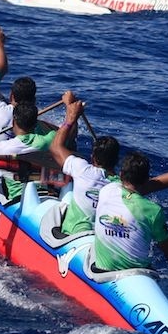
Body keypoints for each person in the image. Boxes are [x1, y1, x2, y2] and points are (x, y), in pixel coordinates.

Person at [93, 151, 168, 273]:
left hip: (101, 271)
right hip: (136, 274)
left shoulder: (106, 189)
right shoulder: (152, 211)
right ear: (147, 179)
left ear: (120, 175)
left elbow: (155, 183)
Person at [49, 92, 120, 236]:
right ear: (116, 160)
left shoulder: (83, 170)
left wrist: (71, 117)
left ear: (93, 157)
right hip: (102, 238)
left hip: (72, 234)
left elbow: (56, 147)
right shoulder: (122, 185)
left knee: (65, 186)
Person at [0, 101, 56, 203]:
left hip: (19, 200)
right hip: (44, 194)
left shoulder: (2, 148)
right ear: (35, 124)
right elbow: (64, 133)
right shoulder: (49, 141)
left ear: (13, 122)